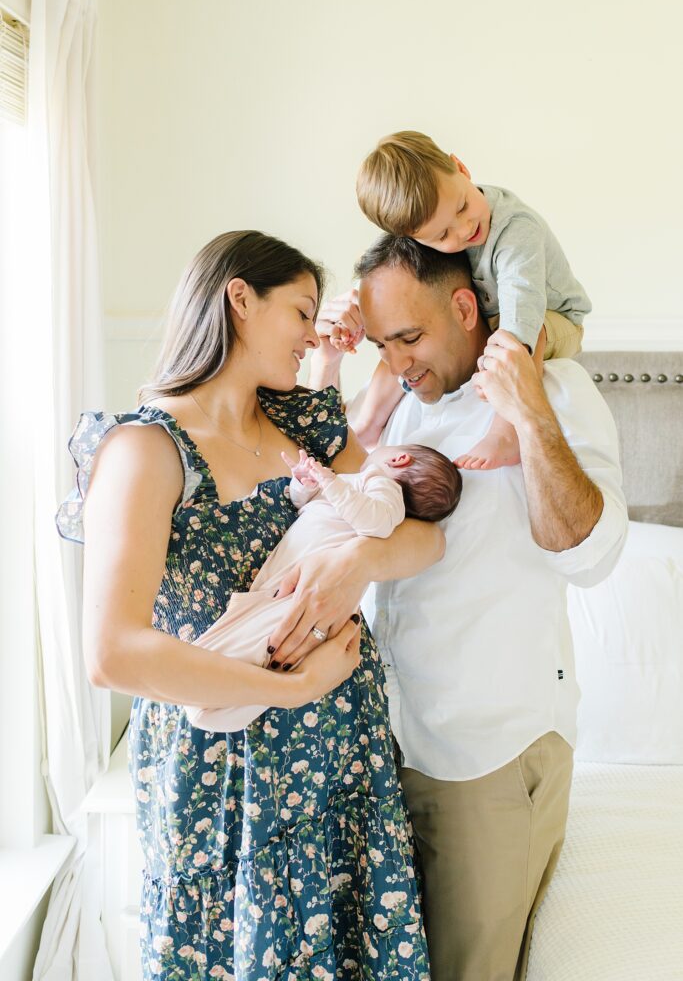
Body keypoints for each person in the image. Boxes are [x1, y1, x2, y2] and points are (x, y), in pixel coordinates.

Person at [56, 230, 445, 981]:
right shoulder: (145, 449)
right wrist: (293, 688)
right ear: (240, 299)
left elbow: (423, 537)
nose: (311, 336)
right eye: (299, 312)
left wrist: (356, 561)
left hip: (341, 767)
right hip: (229, 780)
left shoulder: (302, 428)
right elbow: (112, 654)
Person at [309, 234, 628, 981]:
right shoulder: (401, 400)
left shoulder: (557, 387)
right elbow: (321, 485)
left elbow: (591, 557)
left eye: (409, 338)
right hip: (390, 747)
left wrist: (529, 415)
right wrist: (329, 360)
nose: (398, 361)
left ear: (462, 307)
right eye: (383, 345)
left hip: (488, 758)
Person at [347, 130, 591, 470]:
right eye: (442, 235)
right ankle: (367, 421)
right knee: (397, 338)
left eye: (462, 206)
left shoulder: (516, 230)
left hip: (553, 317)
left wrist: (498, 365)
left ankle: (506, 432)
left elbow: (522, 309)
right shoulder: (428, 223)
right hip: (496, 314)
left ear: (460, 168)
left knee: (521, 337)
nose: (463, 229)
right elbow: (392, 274)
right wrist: (357, 307)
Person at [186, 443, 461, 731]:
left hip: (298, 597)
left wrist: (331, 482)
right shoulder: (355, 487)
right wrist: (305, 484)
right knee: (208, 681)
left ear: (399, 458)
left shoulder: (382, 486)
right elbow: (305, 504)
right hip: (285, 591)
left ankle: (240, 699)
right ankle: (242, 698)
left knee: (208, 684)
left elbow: (375, 522)